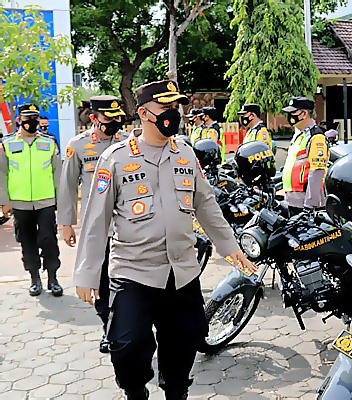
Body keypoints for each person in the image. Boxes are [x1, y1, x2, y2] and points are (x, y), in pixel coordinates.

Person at [73, 80, 255, 400]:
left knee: (189, 336)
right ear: (144, 113)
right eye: (165, 107)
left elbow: (206, 204)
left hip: (181, 270)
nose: (173, 113)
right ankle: (135, 391)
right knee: (126, 346)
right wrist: (87, 273)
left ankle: (176, 392)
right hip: (133, 270)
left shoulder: (185, 153)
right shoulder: (115, 159)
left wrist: (231, 247)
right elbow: (95, 221)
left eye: (175, 107)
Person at [58, 95, 126, 353]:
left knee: (124, 280)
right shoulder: (79, 145)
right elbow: (66, 186)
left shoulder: (127, 144)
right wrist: (66, 224)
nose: (114, 123)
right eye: (109, 118)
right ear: (94, 118)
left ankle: (123, 325)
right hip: (96, 228)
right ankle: (108, 328)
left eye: (117, 117)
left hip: (126, 227)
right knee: (100, 280)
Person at [0, 104, 62, 296]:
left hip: (46, 201)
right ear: (19, 120)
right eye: (27, 119)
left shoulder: (50, 142)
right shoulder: (7, 143)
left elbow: (57, 172)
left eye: (35, 118)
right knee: (26, 241)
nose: (32, 122)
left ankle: (53, 277)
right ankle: (34, 278)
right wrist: (5, 201)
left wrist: (60, 199)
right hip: (19, 202)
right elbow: (2, 174)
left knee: (49, 239)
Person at [281, 97, 327, 215]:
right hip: (293, 199)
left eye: (293, 112)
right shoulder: (299, 134)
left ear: (304, 113)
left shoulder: (316, 137)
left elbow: (317, 170)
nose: (290, 116)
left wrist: (310, 204)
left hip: (305, 201)